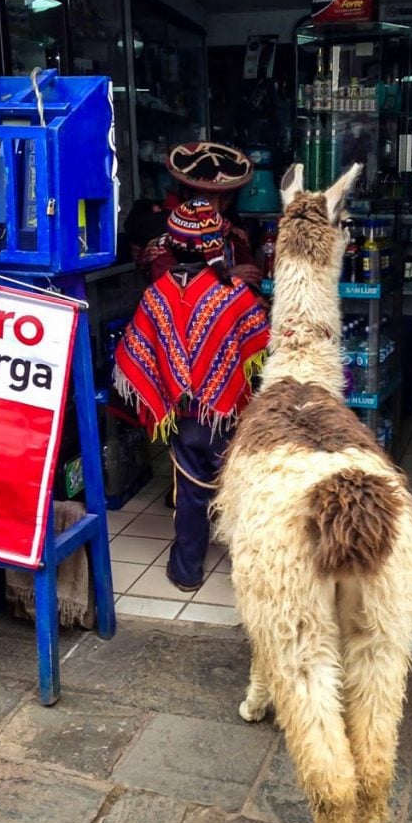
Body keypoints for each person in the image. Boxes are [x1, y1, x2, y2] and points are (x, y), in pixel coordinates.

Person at [113, 198, 270, 592]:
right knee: (242, 490)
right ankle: (251, 576)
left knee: (191, 494)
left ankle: (186, 571)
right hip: (230, 413)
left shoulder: (156, 296)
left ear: (172, 244)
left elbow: (134, 353)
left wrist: (173, 386)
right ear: (217, 243)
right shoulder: (234, 295)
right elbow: (261, 343)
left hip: (184, 417)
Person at [138, 141, 263, 289]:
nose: (216, 207)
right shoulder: (166, 242)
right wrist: (228, 277)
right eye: (208, 198)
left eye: (223, 198)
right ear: (187, 196)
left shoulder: (232, 236)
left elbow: (252, 275)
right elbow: (170, 290)